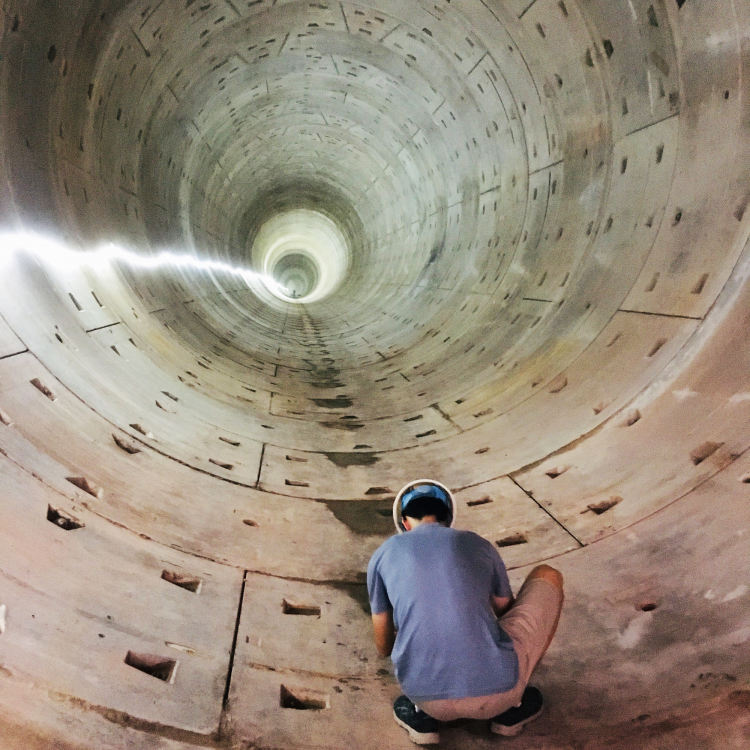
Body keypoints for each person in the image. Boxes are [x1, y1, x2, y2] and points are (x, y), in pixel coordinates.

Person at [367, 479, 564, 745]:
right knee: (547, 575)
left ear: (404, 523)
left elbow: (383, 647)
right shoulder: (478, 544)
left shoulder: (383, 553)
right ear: (449, 518)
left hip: (425, 699)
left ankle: (421, 720)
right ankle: (513, 706)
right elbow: (506, 611)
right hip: (499, 693)